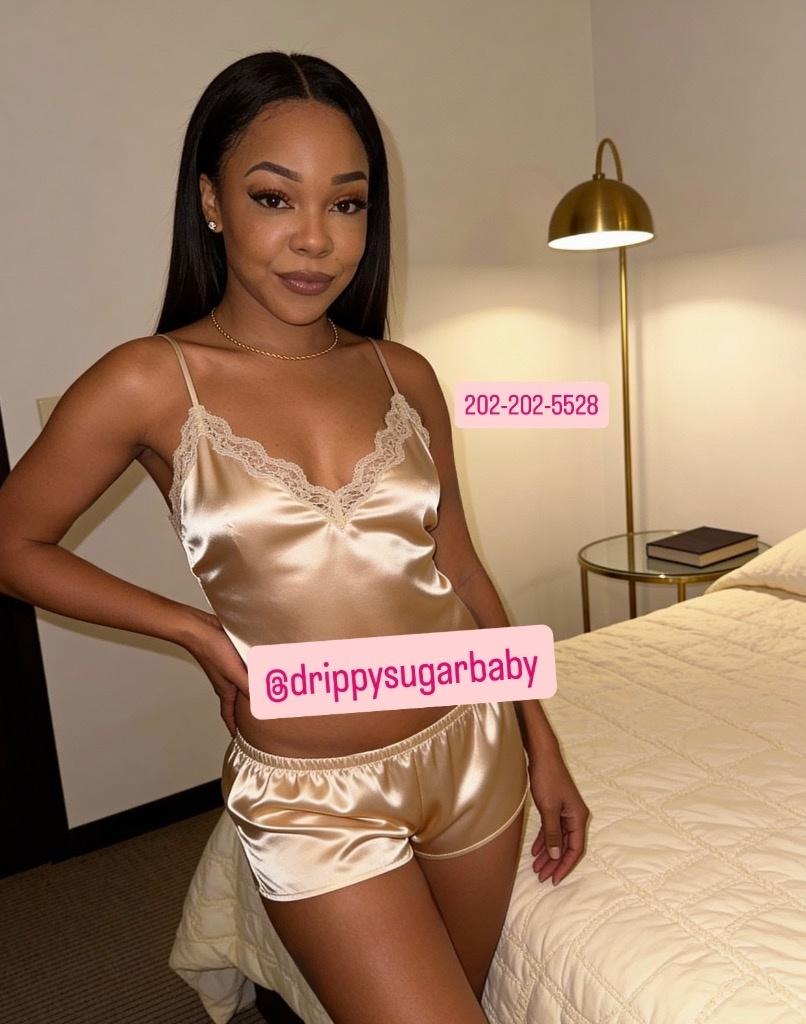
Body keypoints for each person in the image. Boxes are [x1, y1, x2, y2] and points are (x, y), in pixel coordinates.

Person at [0, 50, 589, 1024]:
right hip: (311, 798)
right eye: (275, 198)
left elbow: (457, 566)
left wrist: (542, 743)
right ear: (211, 201)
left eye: (346, 204)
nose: (315, 239)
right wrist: (193, 631)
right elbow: (14, 543)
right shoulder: (150, 380)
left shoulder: (404, 373)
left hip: (471, 747)